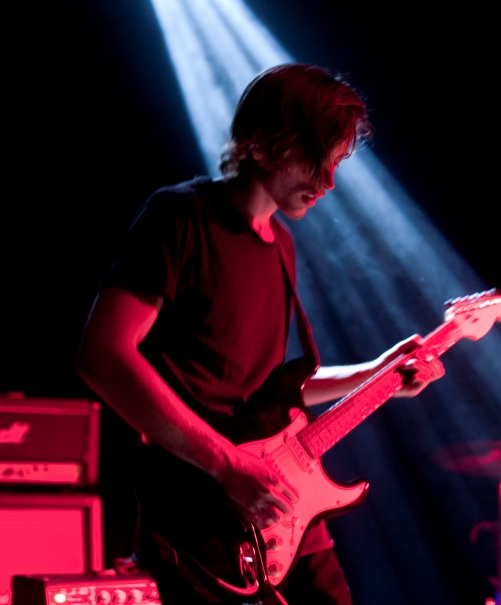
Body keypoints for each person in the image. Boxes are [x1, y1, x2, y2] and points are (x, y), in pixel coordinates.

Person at [75, 62, 446, 605]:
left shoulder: (281, 245)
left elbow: (270, 390)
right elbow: (103, 354)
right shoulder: (181, 216)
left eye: (335, 163)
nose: (328, 182)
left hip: (275, 502)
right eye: (318, 159)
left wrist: (377, 373)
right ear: (268, 143)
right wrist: (226, 465)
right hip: (199, 509)